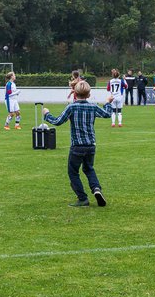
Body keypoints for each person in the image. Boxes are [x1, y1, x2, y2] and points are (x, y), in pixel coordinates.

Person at [43, 79, 113, 207]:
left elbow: (58, 121)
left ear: (74, 94)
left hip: (77, 146)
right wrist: (108, 103)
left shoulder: (71, 107)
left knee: (73, 172)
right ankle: (96, 188)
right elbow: (107, 114)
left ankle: (82, 198)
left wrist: (47, 114)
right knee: (89, 169)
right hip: (91, 145)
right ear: (89, 95)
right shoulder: (93, 106)